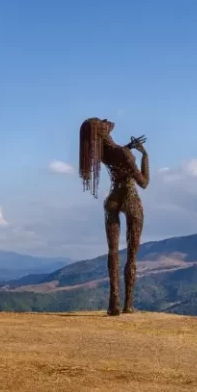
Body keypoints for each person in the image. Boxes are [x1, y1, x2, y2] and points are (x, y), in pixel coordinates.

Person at [78, 118, 149, 315]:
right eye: (102, 123)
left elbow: (117, 155)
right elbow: (143, 182)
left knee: (113, 252)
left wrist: (128, 148)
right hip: (130, 198)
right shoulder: (123, 153)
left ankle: (113, 303)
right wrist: (144, 155)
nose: (106, 121)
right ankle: (128, 305)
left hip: (112, 200)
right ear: (102, 131)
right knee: (132, 255)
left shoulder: (102, 153)